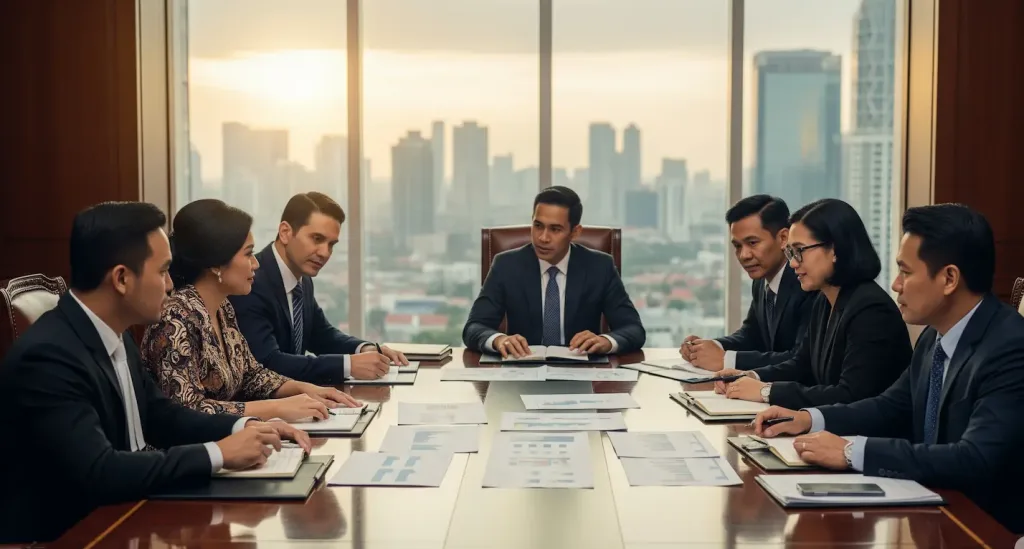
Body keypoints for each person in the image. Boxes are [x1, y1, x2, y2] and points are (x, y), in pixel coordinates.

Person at [0, 202, 311, 544]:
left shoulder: (114, 332)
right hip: (77, 533)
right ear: (121, 278)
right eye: (162, 271)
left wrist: (244, 427)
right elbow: (99, 470)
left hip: (130, 511)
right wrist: (218, 454)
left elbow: (161, 414)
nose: (168, 285)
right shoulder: (50, 356)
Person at [752, 204, 1024, 534]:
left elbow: (974, 459)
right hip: (932, 511)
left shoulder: (1010, 347)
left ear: (949, 278)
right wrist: (809, 418)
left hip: (983, 528)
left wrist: (853, 452)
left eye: (906, 272)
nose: (895, 285)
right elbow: (890, 406)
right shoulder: (933, 337)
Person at [142, 199, 360, 421]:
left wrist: (305, 390)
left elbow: (252, 374)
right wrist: (277, 408)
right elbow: (187, 410)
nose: (255, 263)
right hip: (185, 453)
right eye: (248, 254)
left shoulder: (223, 307)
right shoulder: (175, 319)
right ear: (216, 263)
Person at [713, 198, 912, 409]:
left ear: (834, 249)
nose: (793, 263)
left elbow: (852, 395)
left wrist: (765, 391)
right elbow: (801, 364)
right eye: (790, 252)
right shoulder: (825, 299)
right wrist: (749, 376)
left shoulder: (871, 310)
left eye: (799, 251)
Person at [230, 192, 407, 385]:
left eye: (331, 244)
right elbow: (267, 363)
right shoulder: (251, 281)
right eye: (317, 239)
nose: (325, 253)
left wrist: (365, 349)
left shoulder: (302, 279)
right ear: (285, 232)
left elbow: (321, 335)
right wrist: (349, 365)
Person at [463, 186, 645, 356]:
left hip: (582, 372)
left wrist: (605, 341)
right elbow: (474, 327)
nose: (543, 238)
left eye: (555, 229)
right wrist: (499, 340)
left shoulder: (599, 267)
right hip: (522, 370)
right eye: (538, 226)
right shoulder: (506, 265)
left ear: (575, 232)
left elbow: (633, 329)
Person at [681, 195, 814, 371]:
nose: (744, 255)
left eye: (752, 243)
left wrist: (726, 360)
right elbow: (751, 335)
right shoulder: (761, 282)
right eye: (737, 246)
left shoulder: (806, 282)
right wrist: (708, 347)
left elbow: (800, 359)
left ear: (783, 238)